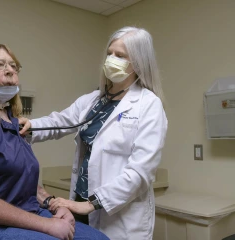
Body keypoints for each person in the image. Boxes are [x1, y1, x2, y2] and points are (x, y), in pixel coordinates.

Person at [0, 43, 110, 240]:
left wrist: (53, 204)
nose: (10, 70)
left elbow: (22, 183)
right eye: (0, 64)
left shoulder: (13, 121)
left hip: (27, 213)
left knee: (99, 239)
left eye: (13, 66)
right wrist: (46, 225)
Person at [19, 26, 168, 240]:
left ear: (137, 62)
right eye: (109, 53)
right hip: (80, 202)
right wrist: (30, 125)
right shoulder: (93, 100)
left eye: (120, 55)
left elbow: (140, 172)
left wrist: (91, 205)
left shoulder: (148, 105)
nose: (111, 59)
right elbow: (59, 122)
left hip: (118, 214)